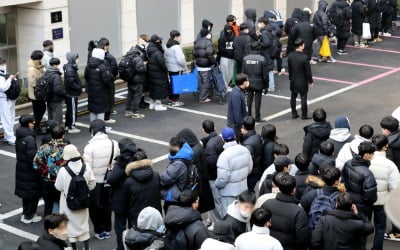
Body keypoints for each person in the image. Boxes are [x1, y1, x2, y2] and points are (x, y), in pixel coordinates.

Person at [83, 119, 120, 240]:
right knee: (107, 206)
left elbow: (87, 169)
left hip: (95, 183)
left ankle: (99, 230)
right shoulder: (114, 143)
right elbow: (115, 162)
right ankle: (107, 229)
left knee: (94, 207)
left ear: (92, 130)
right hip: (109, 180)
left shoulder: (90, 147)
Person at [55, 145, 96, 250]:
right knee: (83, 225)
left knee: (70, 227)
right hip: (83, 202)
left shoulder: (63, 171)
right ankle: (86, 247)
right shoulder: (86, 167)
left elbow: (58, 187)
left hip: (68, 204)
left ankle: (74, 248)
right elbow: (92, 184)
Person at [262, 174, 311, 250]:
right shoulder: (298, 211)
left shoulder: (267, 203)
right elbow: (302, 238)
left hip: (269, 246)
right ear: (294, 189)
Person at [106, 138, 137, 250]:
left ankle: (121, 247)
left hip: (120, 199)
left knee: (120, 228)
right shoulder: (139, 157)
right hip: (134, 198)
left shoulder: (122, 161)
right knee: (134, 225)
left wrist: (110, 170)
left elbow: (111, 179)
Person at [370, 134, 400, 246]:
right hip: (381, 201)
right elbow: (395, 187)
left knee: (363, 225)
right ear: (385, 146)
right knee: (380, 228)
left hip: (366, 198)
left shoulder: (365, 160)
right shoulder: (390, 165)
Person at [215, 127, 252, 215]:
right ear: (235, 137)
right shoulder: (245, 150)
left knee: (229, 217)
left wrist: (216, 184)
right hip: (243, 189)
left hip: (228, 193)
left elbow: (222, 179)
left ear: (223, 139)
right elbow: (249, 169)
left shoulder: (224, 156)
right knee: (243, 215)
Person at [177, 129, 215, 214]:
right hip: (203, 182)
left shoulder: (192, 153)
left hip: (197, 186)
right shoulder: (198, 147)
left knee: (196, 210)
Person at [33, 126, 68, 216]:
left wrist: (45, 172)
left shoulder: (44, 147)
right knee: (62, 203)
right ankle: (60, 225)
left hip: (47, 181)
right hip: (63, 181)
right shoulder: (67, 148)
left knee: (48, 204)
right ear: (63, 136)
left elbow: (35, 164)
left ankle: (48, 225)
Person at [123, 150, 162, 226]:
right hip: (155, 214)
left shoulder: (129, 181)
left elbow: (126, 200)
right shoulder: (156, 175)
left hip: (137, 217)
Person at [15, 115, 42, 224]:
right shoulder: (29, 138)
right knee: (32, 193)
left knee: (26, 194)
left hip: (21, 167)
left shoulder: (20, 134)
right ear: (27, 123)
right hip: (30, 170)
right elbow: (32, 157)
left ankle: (26, 213)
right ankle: (30, 216)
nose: (33, 123)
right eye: (31, 122)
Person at [342, 141, 378, 221]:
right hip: (362, 207)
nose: (373, 155)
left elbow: (343, 180)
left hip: (348, 200)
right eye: (372, 153)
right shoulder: (367, 174)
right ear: (366, 155)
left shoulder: (348, 163)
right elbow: (370, 197)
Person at [200, 120, 225, 225]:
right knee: (219, 201)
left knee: (215, 202)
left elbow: (210, 164)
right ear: (214, 128)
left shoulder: (209, 146)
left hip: (212, 177)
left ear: (203, 130)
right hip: (219, 174)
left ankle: (218, 223)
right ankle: (213, 221)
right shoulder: (219, 139)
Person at [160, 137, 192, 211]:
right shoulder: (186, 157)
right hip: (181, 195)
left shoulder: (178, 164)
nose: (170, 148)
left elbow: (165, 179)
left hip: (175, 198)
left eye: (171, 146)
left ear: (178, 147)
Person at [84, 48, 115, 122]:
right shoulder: (102, 67)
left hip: (92, 91)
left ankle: (93, 127)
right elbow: (107, 80)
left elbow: (86, 77)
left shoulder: (88, 66)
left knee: (93, 110)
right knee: (100, 110)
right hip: (102, 93)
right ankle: (100, 128)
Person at [242, 40, 269, 122]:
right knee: (258, 100)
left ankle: (248, 115)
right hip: (259, 81)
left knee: (249, 99)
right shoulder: (262, 59)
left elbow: (243, 72)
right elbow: (265, 74)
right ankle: (257, 117)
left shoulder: (245, 58)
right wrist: (266, 85)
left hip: (248, 81)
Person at [288, 39, 314, 120]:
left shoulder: (291, 55)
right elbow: (308, 71)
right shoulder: (304, 57)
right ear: (301, 45)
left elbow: (289, 69)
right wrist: (310, 81)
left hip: (293, 79)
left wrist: (290, 78)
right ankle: (304, 114)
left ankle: (294, 113)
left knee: (293, 97)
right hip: (302, 80)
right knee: (303, 97)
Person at [97, 37, 118, 123]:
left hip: (99, 83)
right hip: (108, 82)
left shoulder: (94, 56)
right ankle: (107, 116)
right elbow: (114, 70)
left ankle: (103, 115)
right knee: (109, 98)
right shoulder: (110, 57)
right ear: (106, 46)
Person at [123, 46, 147, 118]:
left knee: (130, 95)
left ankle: (128, 110)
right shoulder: (137, 58)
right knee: (137, 95)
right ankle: (135, 112)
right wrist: (144, 66)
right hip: (137, 80)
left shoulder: (127, 57)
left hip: (130, 79)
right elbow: (141, 69)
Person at [241, 116, 263, 191]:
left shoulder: (248, 144)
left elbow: (247, 161)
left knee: (249, 191)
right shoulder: (257, 136)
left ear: (243, 127)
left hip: (252, 173)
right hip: (257, 169)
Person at [193, 29, 216, 103]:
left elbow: (193, 52)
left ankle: (202, 95)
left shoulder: (197, 42)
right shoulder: (208, 42)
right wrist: (213, 62)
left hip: (199, 65)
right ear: (207, 34)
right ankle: (203, 98)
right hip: (206, 65)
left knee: (201, 82)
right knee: (206, 82)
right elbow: (209, 53)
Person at [147, 35, 169, 111]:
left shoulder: (149, 49)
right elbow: (162, 63)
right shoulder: (157, 52)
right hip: (158, 73)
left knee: (153, 88)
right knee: (159, 88)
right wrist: (166, 70)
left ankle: (152, 104)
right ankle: (158, 104)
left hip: (152, 72)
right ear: (157, 41)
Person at [165, 30, 186, 107]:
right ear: (176, 37)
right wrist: (184, 65)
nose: (180, 38)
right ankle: (174, 100)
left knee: (172, 83)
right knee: (177, 84)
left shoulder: (167, 45)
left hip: (170, 68)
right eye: (179, 36)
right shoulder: (176, 47)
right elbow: (180, 59)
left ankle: (171, 99)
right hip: (177, 68)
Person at [27, 50, 46, 134]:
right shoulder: (32, 69)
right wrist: (42, 84)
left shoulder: (38, 66)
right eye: (40, 59)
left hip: (40, 93)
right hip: (36, 94)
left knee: (41, 110)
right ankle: (35, 127)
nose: (41, 60)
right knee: (38, 111)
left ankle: (36, 126)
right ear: (36, 59)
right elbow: (32, 83)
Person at [63, 52, 82, 133]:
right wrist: (79, 87)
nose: (78, 60)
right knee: (73, 111)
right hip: (72, 93)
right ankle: (72, 127)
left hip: (69, 93)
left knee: (69, 110)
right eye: (76, 58)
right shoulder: (70, 69)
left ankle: (68, 125)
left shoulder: (69, 67)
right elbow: (71, 82)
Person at [0, 57, 17, 145]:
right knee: (6, 119)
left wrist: (12, 78)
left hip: (10, 99)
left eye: (4, 63)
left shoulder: (5, 73)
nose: (3, 65)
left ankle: (8, 136)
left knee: (11, 118)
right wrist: (10, 79)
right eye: (1, 64)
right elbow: (3, 88)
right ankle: (11, 138)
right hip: (3, 99)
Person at [227, 74, 249, 139]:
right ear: (244, 82)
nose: (248, 81)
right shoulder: (236, 94)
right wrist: (242, 126)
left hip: (237, 122)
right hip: (235, 124)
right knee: (237, 139)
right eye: (247, 80)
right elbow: (237, 112)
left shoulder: (238, 90)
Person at [257, 17, 275, 92]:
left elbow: (266, 43)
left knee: (268, 70)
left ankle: (271, 85)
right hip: (269, 52)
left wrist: (259, 43)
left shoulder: (264, 32)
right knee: (269, 69)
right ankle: (270, 85)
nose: (258, 24)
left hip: (265, 53)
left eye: (259, 23)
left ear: (262, 23)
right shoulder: (269, 30)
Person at [45, 58, 65, 124]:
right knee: (57, 117)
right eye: (58, 64)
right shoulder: (55, 75)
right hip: (55, 99)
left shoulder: (47, 72)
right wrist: (65, 94)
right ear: (54, 65)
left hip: (48, 97)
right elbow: (58, 89)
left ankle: (50, 129)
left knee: (50, 116)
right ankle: (56, 131)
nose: (58, 66)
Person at [218, 24, 235, 90]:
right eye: (228, 30)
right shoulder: (221, 39)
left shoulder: (234, 38)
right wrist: (228, 51)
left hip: (232, 58)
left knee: (231, 72)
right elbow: (220, 49)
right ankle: (225, 85)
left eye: (230, 30)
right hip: (224, 58)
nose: (229, 31)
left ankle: (228, 84)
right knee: (224, 73)